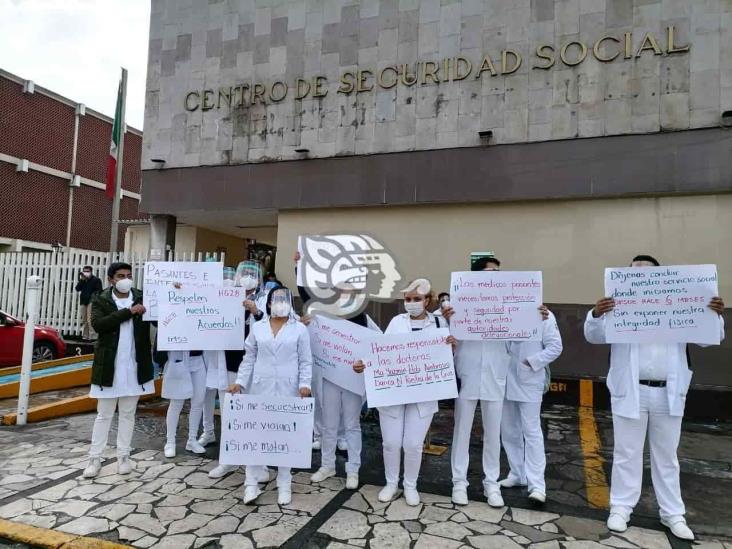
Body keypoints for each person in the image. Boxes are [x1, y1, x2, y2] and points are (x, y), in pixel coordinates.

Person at [584, 254, 726, 541]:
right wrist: (597, 314)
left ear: (660, 277)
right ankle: (621, 508)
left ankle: (672, 513)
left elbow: (711, 337)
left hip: (668, 392)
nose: (640, 275)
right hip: (631, 390)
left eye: (646, 271)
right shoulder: (618, 306)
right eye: (634, 271)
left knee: (666, 455)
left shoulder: (680, 304)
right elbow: (594, 336)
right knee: (627, 453)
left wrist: (714, 313)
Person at [353, 278, 456, 506]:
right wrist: (364, 363)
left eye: (417, 299)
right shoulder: (396, 322)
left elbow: (448, 360)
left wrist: (452, 348)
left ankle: (410, 485)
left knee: (412, 443)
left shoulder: (440, 325)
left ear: (427, 300)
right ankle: (391, 483)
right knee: (390, 442)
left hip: (424, 393)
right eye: (408, 299)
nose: (411, 303)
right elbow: (383, 353)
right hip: (394, 393)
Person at [229, 287, 313, 505]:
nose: (280, 303)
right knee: (256, 437)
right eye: (276, 300)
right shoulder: (258, 328)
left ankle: (284, 483)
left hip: (289, 390)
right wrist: (239, 382)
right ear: (268, 304)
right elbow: (249, 358)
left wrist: (304, 384)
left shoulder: (299, 330)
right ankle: (251, 484)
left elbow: (305, 361)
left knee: (285, 438)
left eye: (284, 299)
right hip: (260, 389)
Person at [450, 257, 513, 507]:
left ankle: (491, 484)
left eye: (498, 272)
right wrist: (447, 317)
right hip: (468, 373)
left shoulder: (509, 303)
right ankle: (459, 483)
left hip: (495, 376)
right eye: (489, 272)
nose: (494, 276)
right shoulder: (459, 302)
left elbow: (520, 336)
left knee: (493, 434)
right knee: (461, 431)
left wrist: (535, 317)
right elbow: (442, 331)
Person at [83, 262, 154, 478]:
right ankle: (94, 459)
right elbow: (99, 325)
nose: (126, 279)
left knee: (128, 414)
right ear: (111, 279)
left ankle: (124, 456)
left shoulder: (142, 296)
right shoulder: (101, 299)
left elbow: (162, 316)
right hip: (109, 367)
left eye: (129, 275)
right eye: (121, 275)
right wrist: (129, 312)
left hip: (134, 366)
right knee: (104, 415)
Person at [308, 288, 381, 490]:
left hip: (353, 380)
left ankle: (353, 469)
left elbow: (380, 344)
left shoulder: (364, 320)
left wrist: (365, 362)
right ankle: (327, 465)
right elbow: (310, 337)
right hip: (330, 378)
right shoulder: (324, 318)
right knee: (329, 424)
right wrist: (305, 323)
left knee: (352, 425)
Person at [202, 262, 269, 480]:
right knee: (230, 414)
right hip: (230, 364)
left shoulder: (266, 298)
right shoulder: (225, 296)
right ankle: (228, 461)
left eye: (252, 275)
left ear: (259, 279)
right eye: (244, 274)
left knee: (256, 415)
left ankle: (260, 464)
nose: (248, 278)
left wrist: (256, 311)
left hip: (256, 367)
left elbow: (275, 325)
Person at [500, 304, 563, 505]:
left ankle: (537, 485)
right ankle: (517, 473)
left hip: (529, 379)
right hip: (504, 378)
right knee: (509, 430)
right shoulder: (499, 311)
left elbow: (555, 347)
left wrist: (532, 361)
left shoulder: (544, 315)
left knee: (531, 431)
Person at [159, 350, 207, 457]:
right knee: (176, 403)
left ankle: (192, 439)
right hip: (178, 356)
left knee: (198, 401)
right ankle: (170, 442)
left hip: (198, 359)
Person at [75, 265, 103, 340]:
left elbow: (99, 291)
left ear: (91, 272)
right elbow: (77, 289)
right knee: (84, 320)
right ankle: (85, 336)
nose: (86, 273)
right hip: (83, 301)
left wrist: (93, 298)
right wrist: (82, 280)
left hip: (92, 301)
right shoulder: (83, 280)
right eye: (84, 271)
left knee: (90, 319)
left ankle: (93, 336)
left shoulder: (96, 280)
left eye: (87, 271)